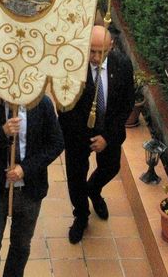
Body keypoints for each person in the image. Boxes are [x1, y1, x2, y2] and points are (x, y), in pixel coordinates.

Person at [0, 91, 64, 277]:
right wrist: (2, 132)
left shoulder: (42, 103)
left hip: (29, 191)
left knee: (21, 245)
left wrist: (25, 169)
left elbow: (56, 143)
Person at [57, 25, 135, 244]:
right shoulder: (71, 66)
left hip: (108, 131)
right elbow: (64, 107)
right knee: (75, 178)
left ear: (111, 46)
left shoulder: (122, 65)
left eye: (101, 52)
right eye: (91, 51)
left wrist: (107, 138)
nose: (96, 57)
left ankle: (94, 190)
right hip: (78, 135)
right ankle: (81, 215)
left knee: (111, 167)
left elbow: (126, 104)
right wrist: (85, 137)